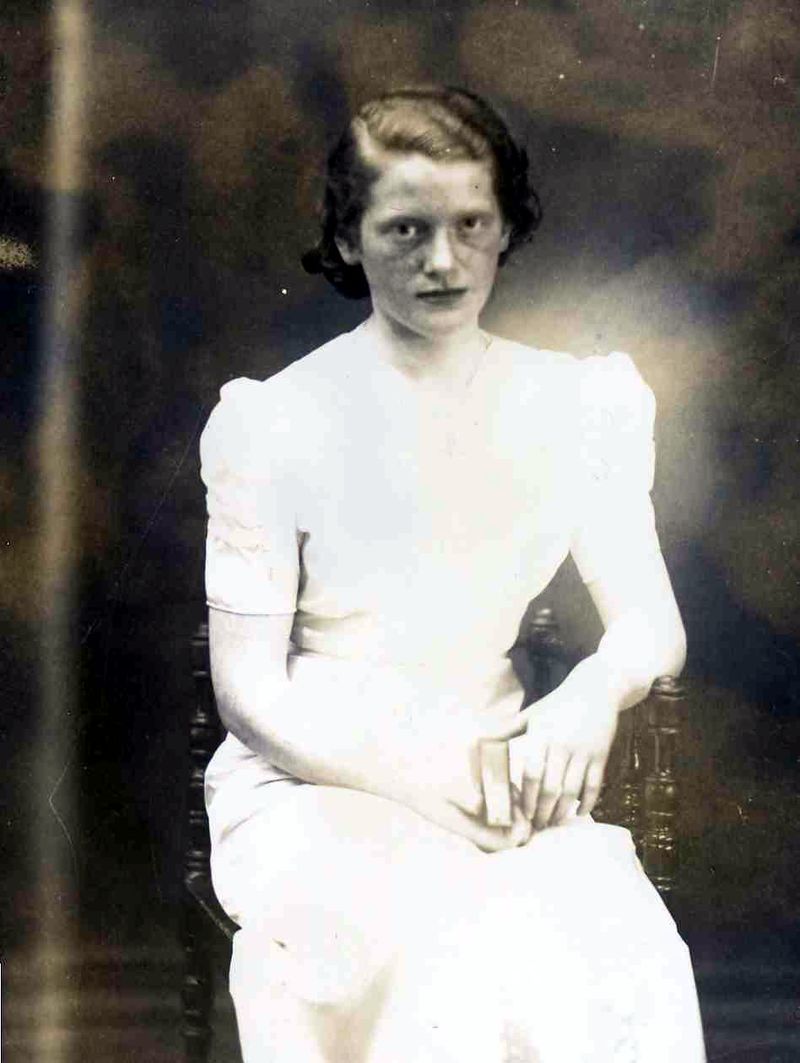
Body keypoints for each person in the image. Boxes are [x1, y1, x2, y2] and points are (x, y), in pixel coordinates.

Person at [199, 86, 706, 1062]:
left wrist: (591, 693)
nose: (442, 260)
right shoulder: (276, 422)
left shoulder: (574, 403)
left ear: (504, 227)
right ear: (347, 240)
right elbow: (248, 690)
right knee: (425, 938)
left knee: (606, 943)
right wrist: (419, 785)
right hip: (315, 779)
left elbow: (650, 622)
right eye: (405, 229)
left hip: (494, 764)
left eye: (470, 224)